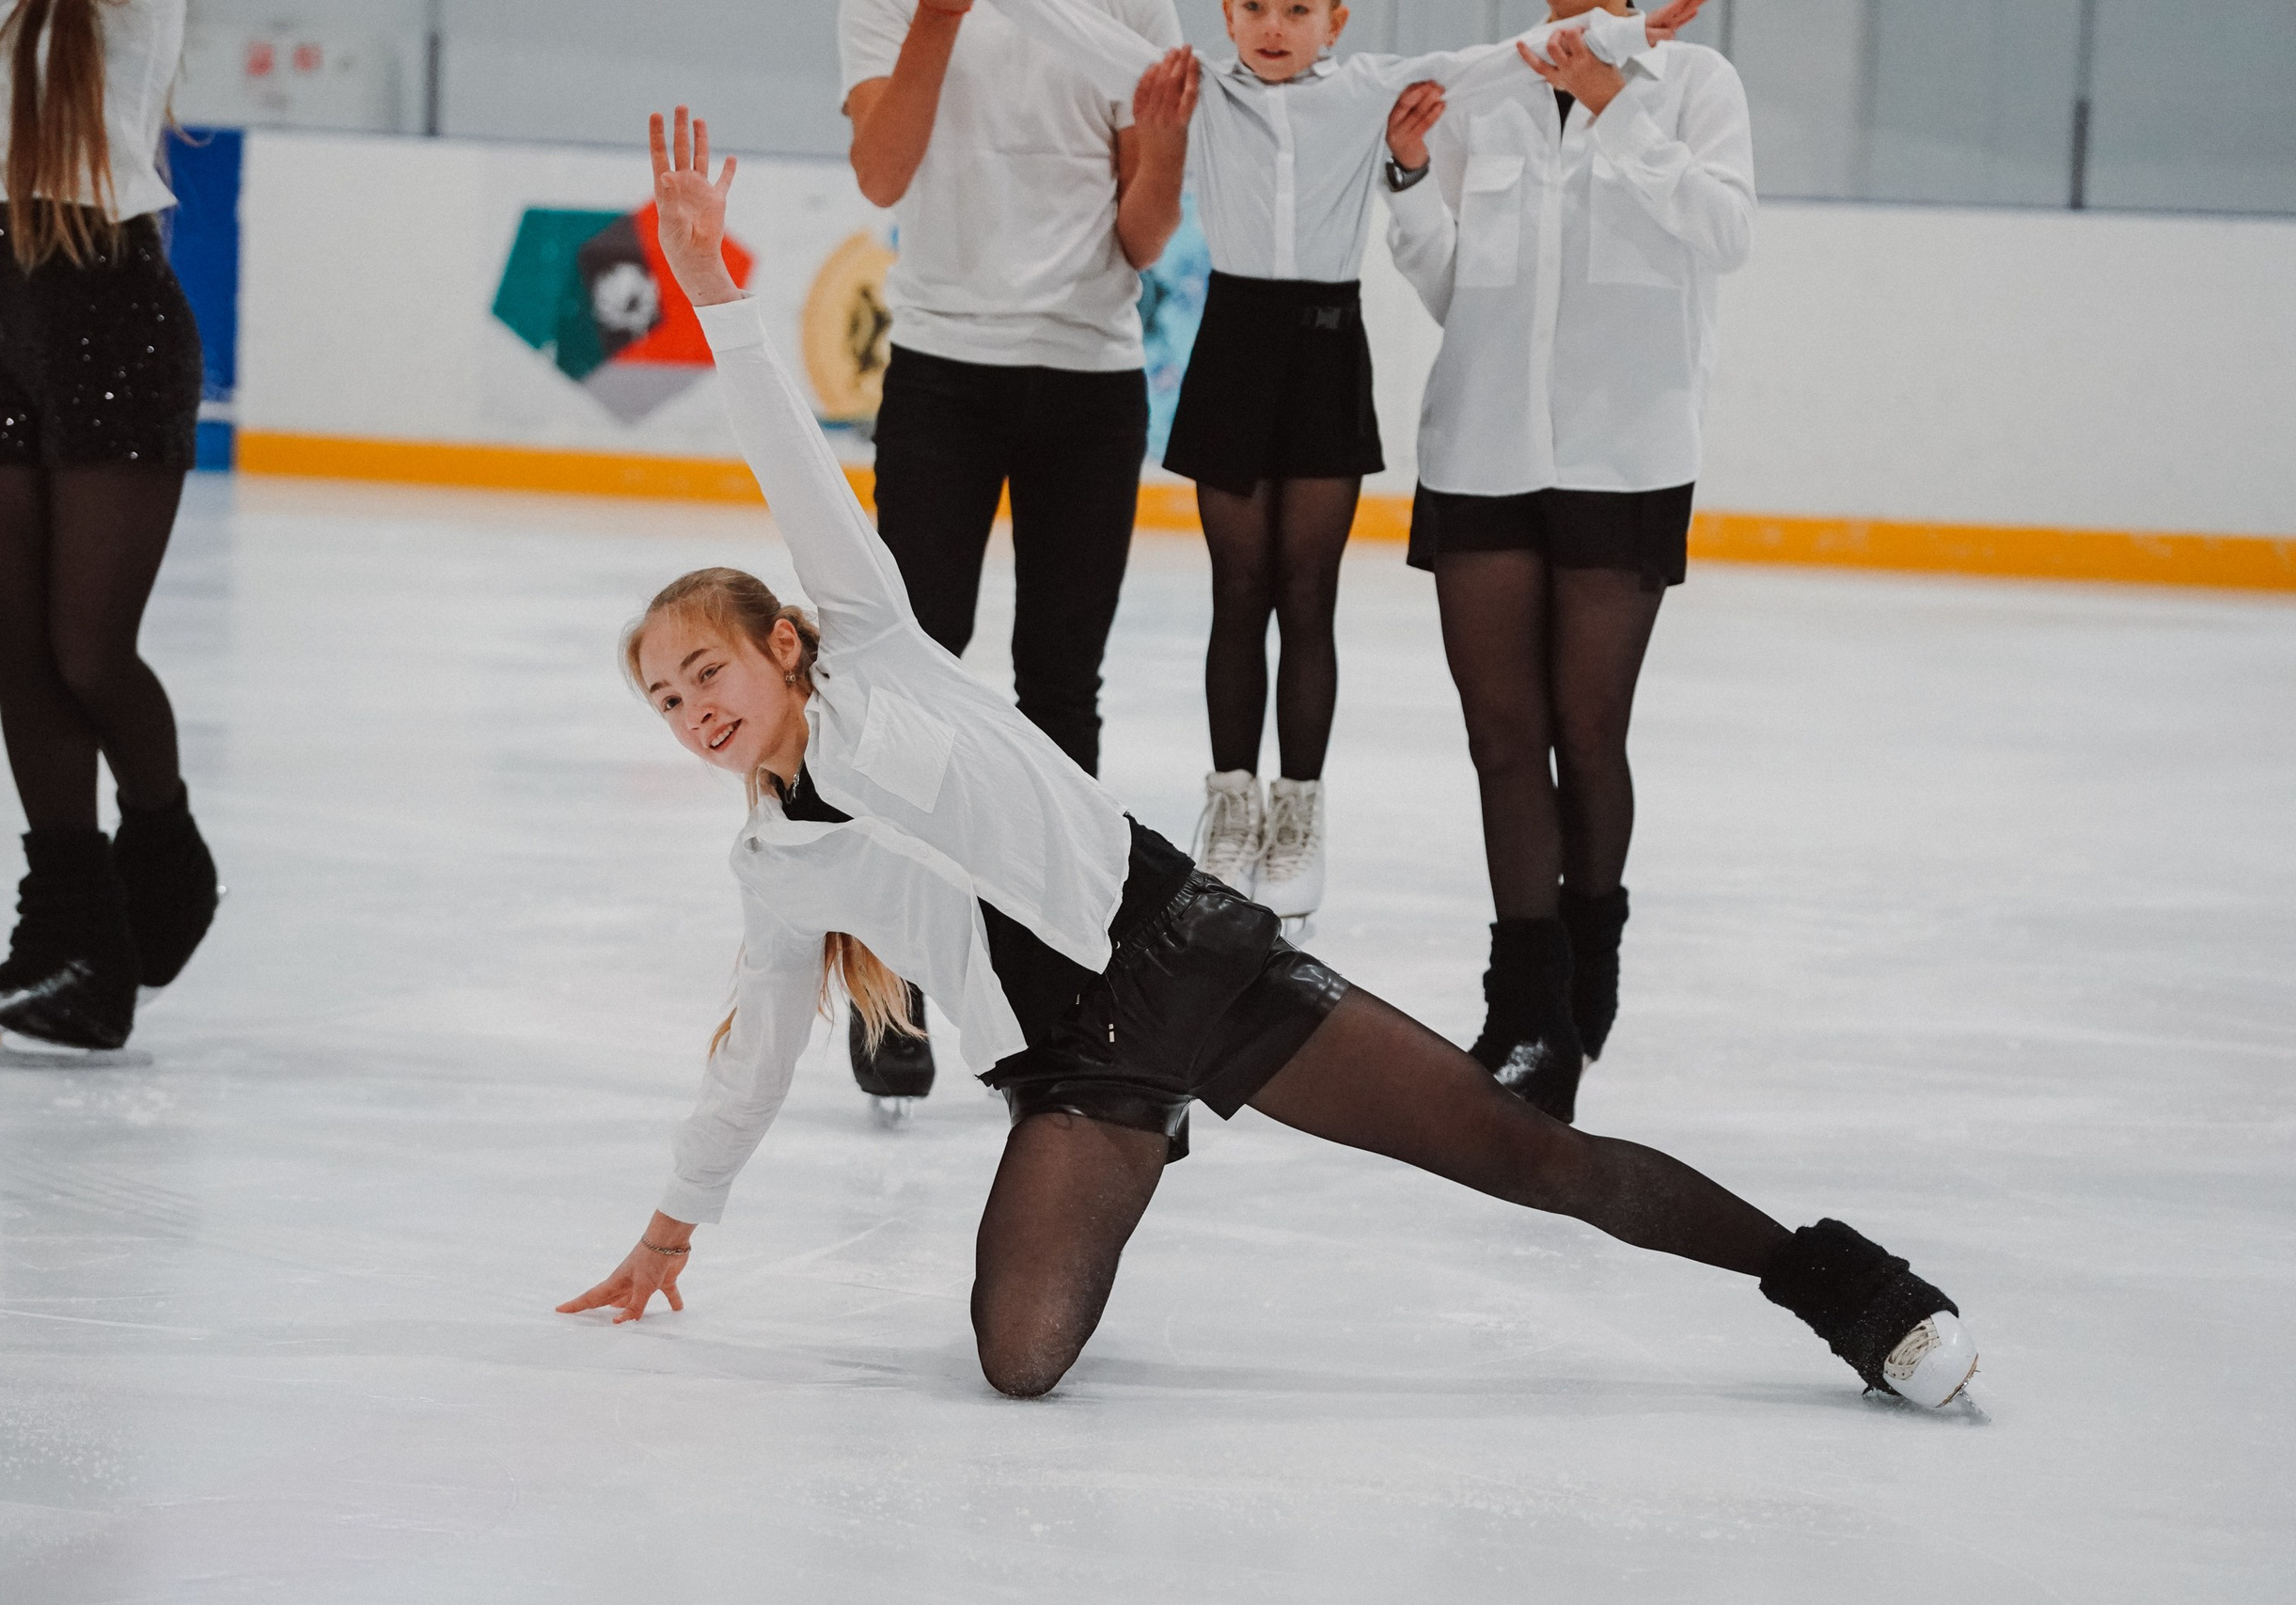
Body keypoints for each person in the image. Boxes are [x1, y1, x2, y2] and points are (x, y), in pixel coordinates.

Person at [556, 114, 1982, 1418]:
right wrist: (675, 1223)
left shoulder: (875, 646)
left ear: (786, 645)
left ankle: (1841, 1283)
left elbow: (785, 457)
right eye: (668, 702)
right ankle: (1140, 1132)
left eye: (708, 672)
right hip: (1072, 1067)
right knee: (1019, 1358)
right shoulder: (776, 862)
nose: (695, 710)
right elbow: (751, 1049)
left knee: (1524, 1151)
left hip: (1188, 952)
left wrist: (716, 296)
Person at [980, 0, 1698, 928]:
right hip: (1234, 350)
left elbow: (1505, 57)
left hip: (1323, 353)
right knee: (1238, 590)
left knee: (1306, 594)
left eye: (1297, 10)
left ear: (1336, 22)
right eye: (1253, 8)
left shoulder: (1368, 91)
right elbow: (1075, 34)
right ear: (1227, 16)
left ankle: (1300, 811)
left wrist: (1620, 35)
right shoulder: (1190, 80)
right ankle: (1234, 803)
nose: (1273, 28)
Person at [1375, 4, 1755, 1123]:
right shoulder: (1481, 91)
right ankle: (1524, 1004)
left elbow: (1724, 233)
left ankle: (1592, 944)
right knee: (1500, 737)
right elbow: (1452, 286)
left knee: (1586, 734)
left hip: (1624, 452)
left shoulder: (1693, 84)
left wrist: (1614, 104)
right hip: (1482, 444)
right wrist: (1405, 178)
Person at [830, 0, 1184, 1116]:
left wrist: (1167, 140)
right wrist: (939, 17)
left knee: (1060, 687)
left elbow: (1141, 238)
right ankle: (890, 980)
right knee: (912, 681)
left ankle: (1054, 973)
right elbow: (881, 175)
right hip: (943, 369)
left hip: (1089, 374)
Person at [0, 0, 219, 1070]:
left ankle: (165, 854)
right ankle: (71, 939)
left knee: (86, 650)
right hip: (0, 299)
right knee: (16, 651)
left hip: (110, 306)